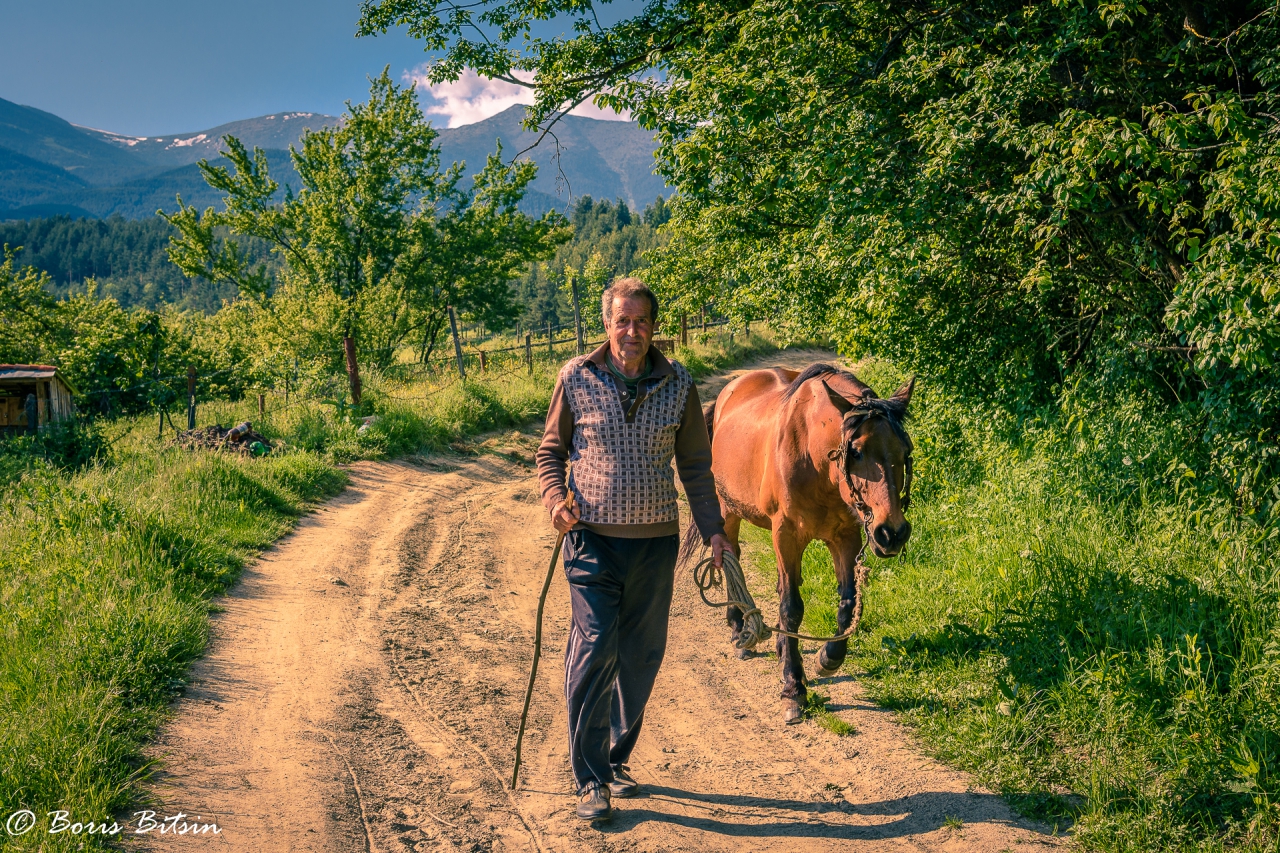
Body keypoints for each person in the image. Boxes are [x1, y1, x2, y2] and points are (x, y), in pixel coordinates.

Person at [536, 277, 730, 821]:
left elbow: (695, 466)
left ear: (654, 327)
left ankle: (614, 759)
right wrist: (556, 500)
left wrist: (714, 530)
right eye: (622, 320)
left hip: (655, 545)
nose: (631, 331)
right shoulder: (577, 377)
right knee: (597, 646)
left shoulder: (679, 384)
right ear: (606, 324)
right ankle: (589, 777)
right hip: (591, 541)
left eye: (641, 321)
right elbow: (550, 451)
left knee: (641, 657)